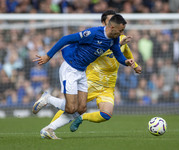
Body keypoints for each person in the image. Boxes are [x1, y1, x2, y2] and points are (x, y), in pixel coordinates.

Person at [38, 10, 142, 139]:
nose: (122, 34)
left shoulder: (114, 40)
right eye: (120, 31)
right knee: (71, 107)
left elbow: (118, 55)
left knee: (81, 109)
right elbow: (66, 39)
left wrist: (127, 62)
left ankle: (49, 129)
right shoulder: (93, 33)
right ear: (111, 26)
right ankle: (48, 99)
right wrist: (48, 56)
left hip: (82, 72)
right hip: (71, 68)